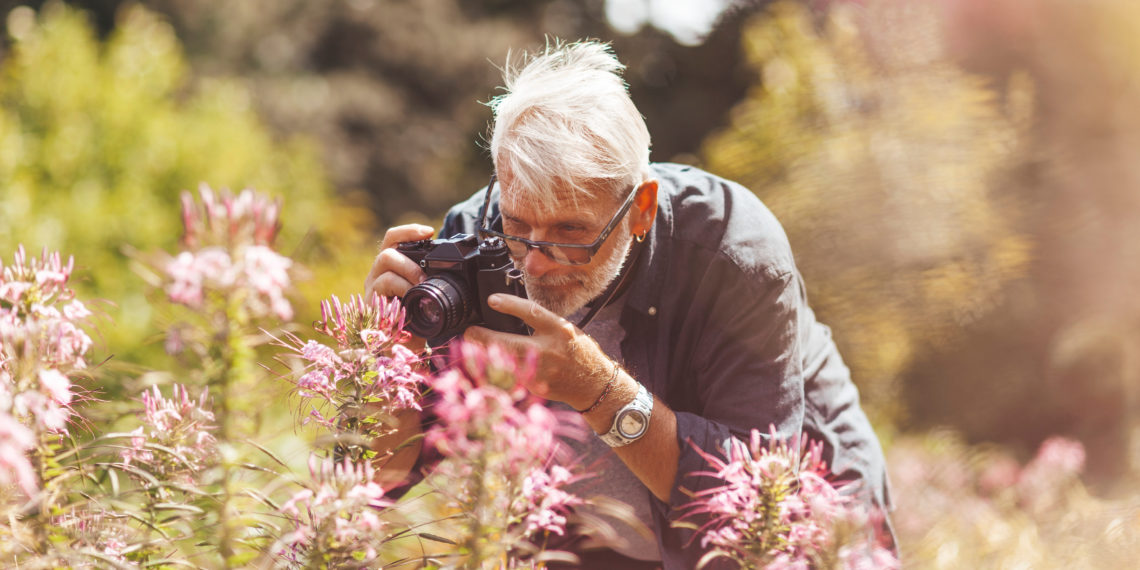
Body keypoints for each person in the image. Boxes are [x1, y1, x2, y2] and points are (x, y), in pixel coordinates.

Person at [365, 39, 892, 569]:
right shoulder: (471, 240)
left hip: (803, 515)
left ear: (641, 208)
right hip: (587, 536)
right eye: (517, 225)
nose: (535, 262)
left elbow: (753, 506)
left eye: (570, 232)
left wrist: (594, 387)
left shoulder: (731, 252)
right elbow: (381, 480)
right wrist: (393, 362)